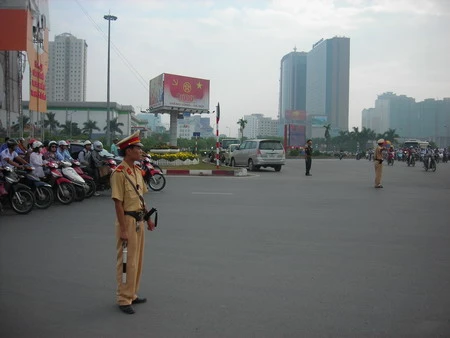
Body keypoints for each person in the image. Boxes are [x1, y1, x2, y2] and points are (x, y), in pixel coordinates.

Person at [110, 131, 155, 315]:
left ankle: (132, 293)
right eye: (137, 148)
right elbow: (118, 203)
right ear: (128, 151)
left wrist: (148, 218)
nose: (140, 151)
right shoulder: (118, 173)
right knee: (127, 262)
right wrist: (123, 229)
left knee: (137, 260)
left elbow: (140, 198)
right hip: (127, 221)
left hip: (139, 221)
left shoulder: (137, 170)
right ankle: (123, 298)